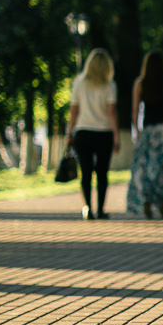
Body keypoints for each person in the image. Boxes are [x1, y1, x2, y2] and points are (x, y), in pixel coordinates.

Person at [125, 51, 163, 219]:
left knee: (145, 168)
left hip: (149, 132)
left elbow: (135, 110)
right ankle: (162, 204)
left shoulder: (140, 84)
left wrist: (136, 131)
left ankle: (146, 201)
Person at [65, 48, 120, 220]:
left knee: (86, 172)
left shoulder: (79, 83)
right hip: (104, 134)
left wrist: (69, 133)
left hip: (84, 133)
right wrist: (117, 135)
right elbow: (111, 112)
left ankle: (88, 208)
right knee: (103, 173)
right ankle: (101, 210)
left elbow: (74, 111)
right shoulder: (110, 85)